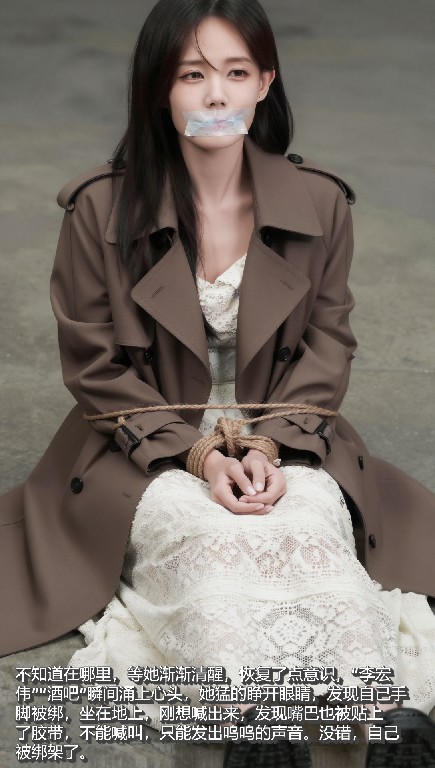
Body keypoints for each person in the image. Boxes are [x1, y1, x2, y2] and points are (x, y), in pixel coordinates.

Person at [1, 0, 435, 765]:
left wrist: (268, 446)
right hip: (140, 442)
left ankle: (383, 720)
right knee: (205, 532)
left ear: (265, 83)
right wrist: (198, 456)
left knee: (307, 525)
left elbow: (329, 341)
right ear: (157, 88)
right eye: (191, 75)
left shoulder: (320, 202)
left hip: (287, 430)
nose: (215, 96)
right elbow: (94, 367)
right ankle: (251, 725)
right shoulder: (98, 208)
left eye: (236, 73)